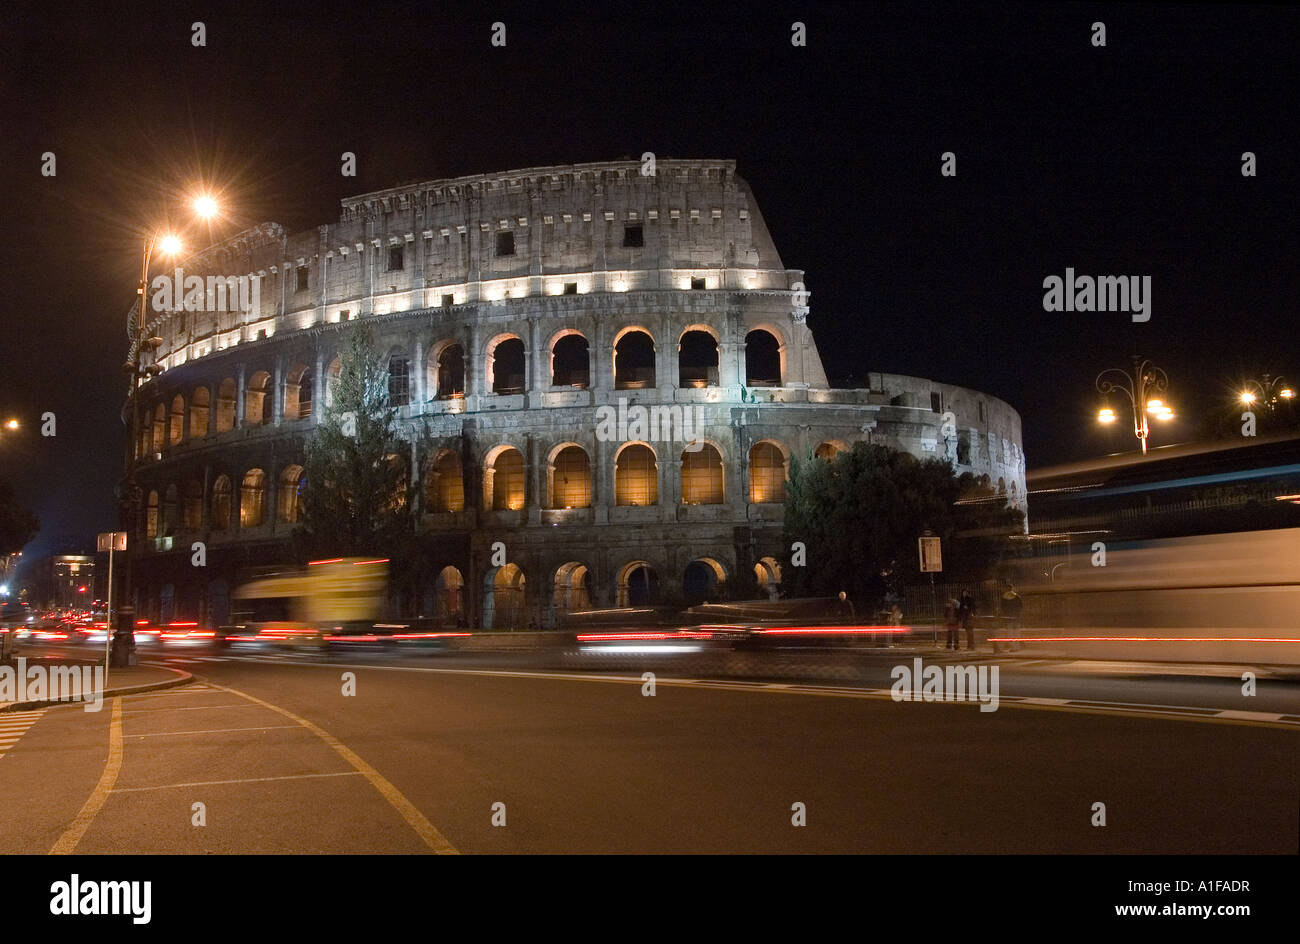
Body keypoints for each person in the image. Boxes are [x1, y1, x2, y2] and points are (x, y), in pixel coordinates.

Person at [1000, 583, 1023, 651]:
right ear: (1012, 588)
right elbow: (1020, 607)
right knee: (1017, 633)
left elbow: (1002, 608)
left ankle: (1012, 647)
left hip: (1008, 617)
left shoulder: (1004, 597)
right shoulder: (1017, 596)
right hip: (1016, 617)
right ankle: (1017, 647)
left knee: (1010, 633)